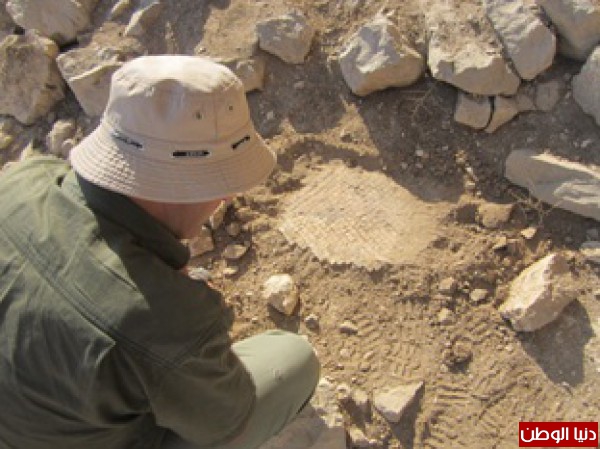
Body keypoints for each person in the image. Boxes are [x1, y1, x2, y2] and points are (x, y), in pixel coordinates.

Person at [0, 55, 320, 449]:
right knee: (293, 361)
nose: (228, 196)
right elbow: (227, 421)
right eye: (225, 183)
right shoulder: (163, 318)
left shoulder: (22, 179)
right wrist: (184, 324)